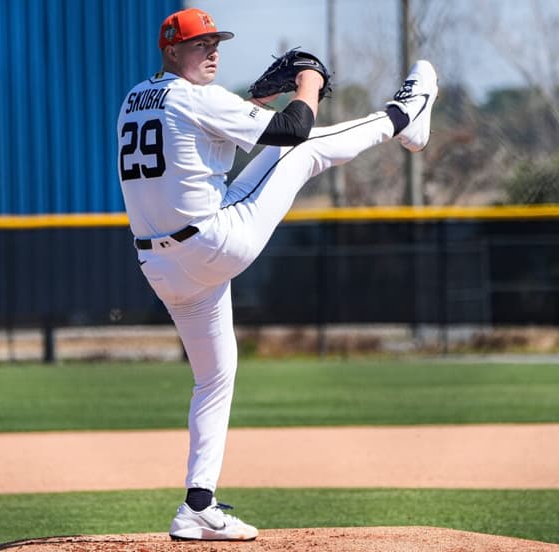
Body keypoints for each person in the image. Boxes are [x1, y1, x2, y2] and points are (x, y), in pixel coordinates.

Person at [116, 7, 437, 542]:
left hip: (161, 265)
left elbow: (206, 138)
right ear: (171, 50)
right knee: (304, 151)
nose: (212, 50)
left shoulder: (136, 98)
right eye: (199, 44)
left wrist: (256, 102)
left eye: (215, 42)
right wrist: (309, 80)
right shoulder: (196, 98)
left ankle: (198, 506)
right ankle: (404, 115)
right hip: (214, 242)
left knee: (214, 377)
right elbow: (293, 129)